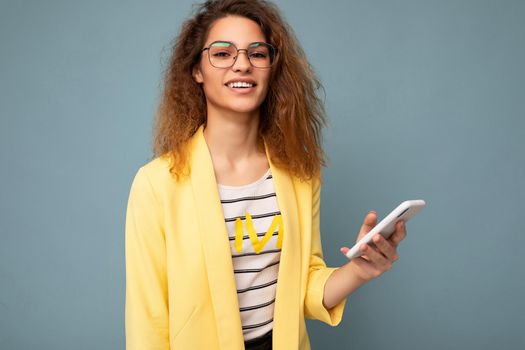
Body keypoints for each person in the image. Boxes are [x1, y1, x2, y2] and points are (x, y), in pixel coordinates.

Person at [124, 0, 407, 349]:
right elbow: (147, 319)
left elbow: (301, 287)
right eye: (223, 54)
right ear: (196, 69)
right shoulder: (156, 184)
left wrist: (361, 269)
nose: (242, 64)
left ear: (272, 68)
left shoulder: (299, 174)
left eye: (257, 53)